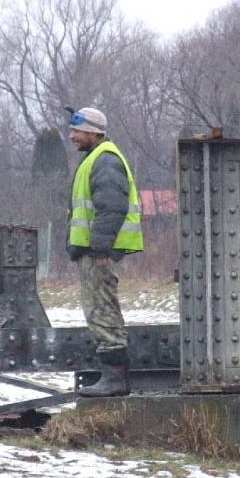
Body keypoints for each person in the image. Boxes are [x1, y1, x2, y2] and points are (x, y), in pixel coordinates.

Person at [66, 107, 143, 397]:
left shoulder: (105, 161)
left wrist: (100, 250)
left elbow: (112, 209)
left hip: (98, 253)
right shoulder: (97, 159)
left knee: (102, 311)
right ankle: (112, 377)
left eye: (76, 131)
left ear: (92, 132)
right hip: (93, 251)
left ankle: (114, 379)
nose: (71, 136)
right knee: (98, 310)